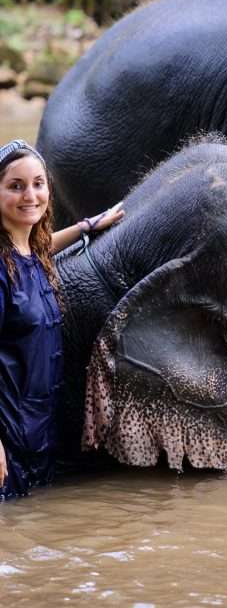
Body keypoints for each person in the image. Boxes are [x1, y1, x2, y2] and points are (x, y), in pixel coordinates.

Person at [1, 139, 123, 501]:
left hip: (39, 426)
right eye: (15, 186)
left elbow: (40, 250)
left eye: (38, 184)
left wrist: (87, 226)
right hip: (8, 431)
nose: (30, 195)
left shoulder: (29, 254)